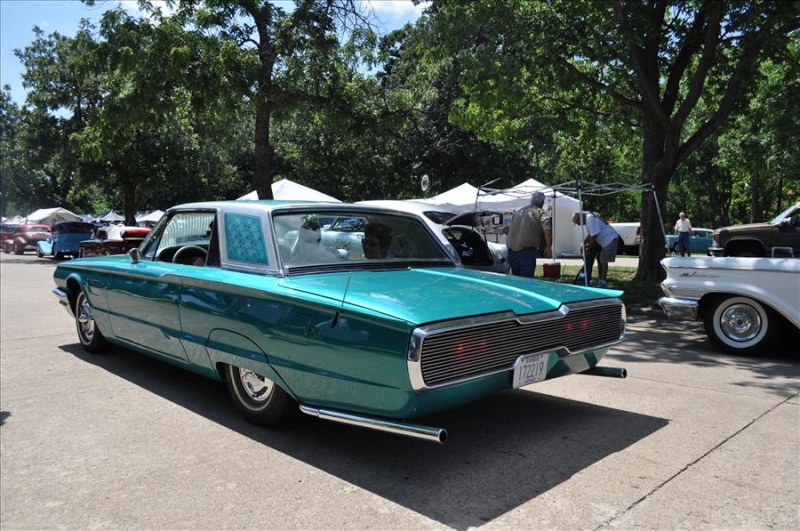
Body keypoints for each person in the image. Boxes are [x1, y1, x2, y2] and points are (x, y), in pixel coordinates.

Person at [504, 191, 552, 278]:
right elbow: (547, 229)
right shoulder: (540, 212)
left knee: (517, 280)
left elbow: (508, 229)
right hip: (526, 252)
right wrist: (548, 247)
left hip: (512, 252)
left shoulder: (519, 211)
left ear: (531, 201)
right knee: (526, 282)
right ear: (542, 202)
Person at [572, 211, 619, 288]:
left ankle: (603, 282)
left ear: (580, 218)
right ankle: (600, 280)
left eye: (577, 222)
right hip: (605, 241)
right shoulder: (589, 218)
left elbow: (594, 237)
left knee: (603, 261)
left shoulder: (590, 220)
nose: (578, 224)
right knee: (600, 260)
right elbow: (591, 234)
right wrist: (583, 243)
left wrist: (587, 250)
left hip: (609, 240)